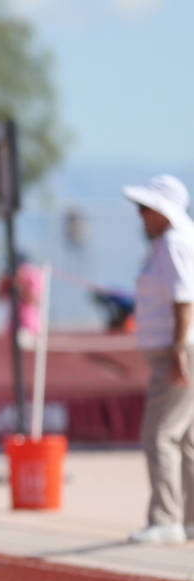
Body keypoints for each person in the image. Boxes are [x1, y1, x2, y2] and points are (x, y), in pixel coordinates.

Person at [123, 174, 194, 545]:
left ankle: (166, 519)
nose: (140, 216)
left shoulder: (174, 243)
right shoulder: (173, 242)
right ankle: (188, 519)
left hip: (178, 350)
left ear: (163, 210)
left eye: (145, 208)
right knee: (184, 438)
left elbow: (184, 300)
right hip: (178, 349)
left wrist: (178, 351)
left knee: (161, 434)